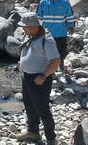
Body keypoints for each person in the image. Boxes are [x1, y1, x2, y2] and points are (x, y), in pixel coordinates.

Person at [15, 12, 61, 145]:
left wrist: (43, 76)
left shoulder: (47, 40)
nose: (23, 29)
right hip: (26, 76)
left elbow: (56, 60)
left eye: (25, 26)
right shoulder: (29, 35)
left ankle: (51, 138)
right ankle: (33, 131)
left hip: (39, 79)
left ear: (35, 26)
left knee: (42, 108)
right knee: (29, 105)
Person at [36, 0, 75, 68]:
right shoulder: (43, 2)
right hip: (47, 32)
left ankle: (61, 63)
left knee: (62, 51)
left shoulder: (64, 2)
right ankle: (50, 68)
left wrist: (71, 26)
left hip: (61, 32)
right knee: (47, 51)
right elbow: (39, 16)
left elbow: (69, 15)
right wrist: (39, 28)